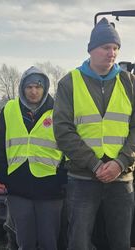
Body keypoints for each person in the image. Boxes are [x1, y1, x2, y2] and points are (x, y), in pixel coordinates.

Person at [53, 17, 135, 250]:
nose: (112, 53)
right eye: (106, 47)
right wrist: (95, 165)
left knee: (121, 242)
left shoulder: (130, 83)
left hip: (121, 177)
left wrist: (120, 162)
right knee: (78, 241)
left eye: (116, 48)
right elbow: (62, 129)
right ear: (91, 50)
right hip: (82, 178)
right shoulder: (69, 83)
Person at [0, 66, 66, 250]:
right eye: (29, 87)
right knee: (25, 242)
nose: (33, 91)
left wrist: (62, 178)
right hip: (18, 188)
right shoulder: (9, 109)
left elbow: (68, 147)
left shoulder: (59, 110)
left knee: (50, 242)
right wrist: (2, 174)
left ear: (45, 88)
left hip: (51, 189)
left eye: (38, 87)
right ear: (22, 88)